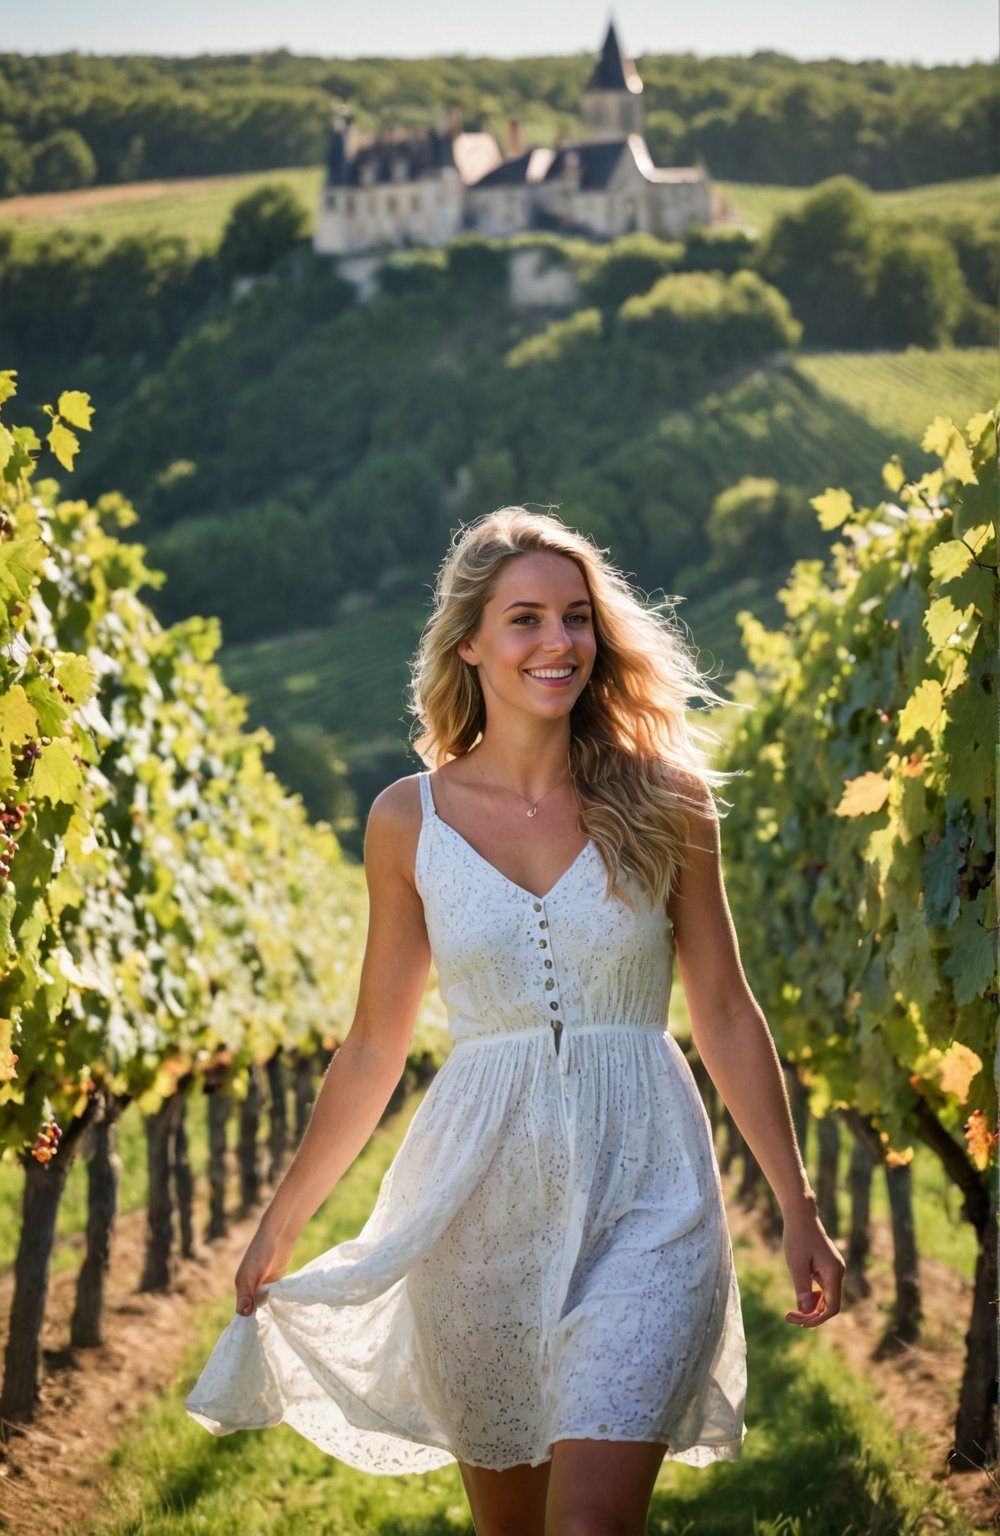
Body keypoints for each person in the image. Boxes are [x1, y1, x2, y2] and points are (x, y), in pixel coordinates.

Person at [185, 506, 843, 1536]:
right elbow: (371, 1045)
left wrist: (796, 1205)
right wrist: (281, 1223)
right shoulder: (408, 820)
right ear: (471, 645)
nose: (557, 643)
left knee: (589, 1523)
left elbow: (721, 1006)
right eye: (525, 619)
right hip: (477, 1203)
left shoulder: (666, 800)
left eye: (576, 618)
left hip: (649, 1194)